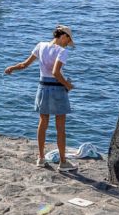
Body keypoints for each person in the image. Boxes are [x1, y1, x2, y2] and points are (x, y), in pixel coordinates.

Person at [5, 25, 77, 170]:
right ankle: (63, 162)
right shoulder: (62, 51)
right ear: (64, 36)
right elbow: (56, 72)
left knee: (43, 123)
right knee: (60, 127)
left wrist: (12, 68)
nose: (67, 44)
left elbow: (24, 64)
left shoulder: (41, 45)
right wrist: (68, 85)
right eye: (68, 41)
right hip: (57, 89)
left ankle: (41, 158)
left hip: (42, 87)